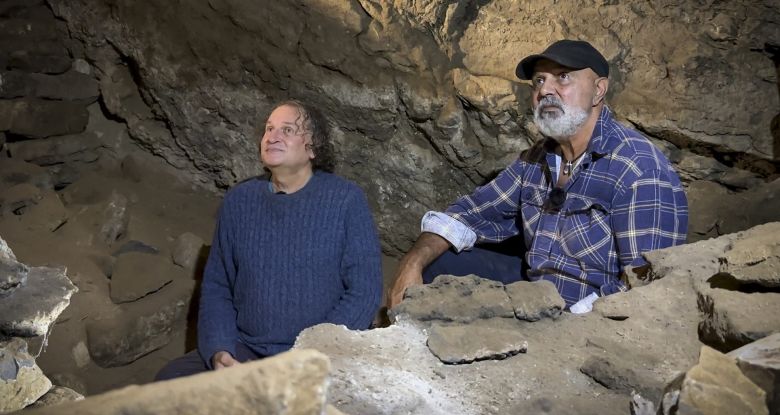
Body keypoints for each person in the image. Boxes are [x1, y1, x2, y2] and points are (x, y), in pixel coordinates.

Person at [387, 40, 688, 313]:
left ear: (598, 90)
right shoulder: (538, 159)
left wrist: (556, 330)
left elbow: (645, 285)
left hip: (594, 320)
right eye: (539, 81)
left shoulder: (639, 169)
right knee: (439, 261)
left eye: (563, 77)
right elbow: (469, 215)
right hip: (537, 296)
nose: (545, 90)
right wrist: (411, 262)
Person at [156, 100, 382, 379]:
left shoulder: (345, 200)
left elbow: (364, 291)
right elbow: (218, 285)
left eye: (287, 130)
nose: (272, 137)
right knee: (168, 382)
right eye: (269, 129)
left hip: (318, 355)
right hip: (248, 349)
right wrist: (220, 350)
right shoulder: (240, 201)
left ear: (313, 146)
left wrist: (312, 354)